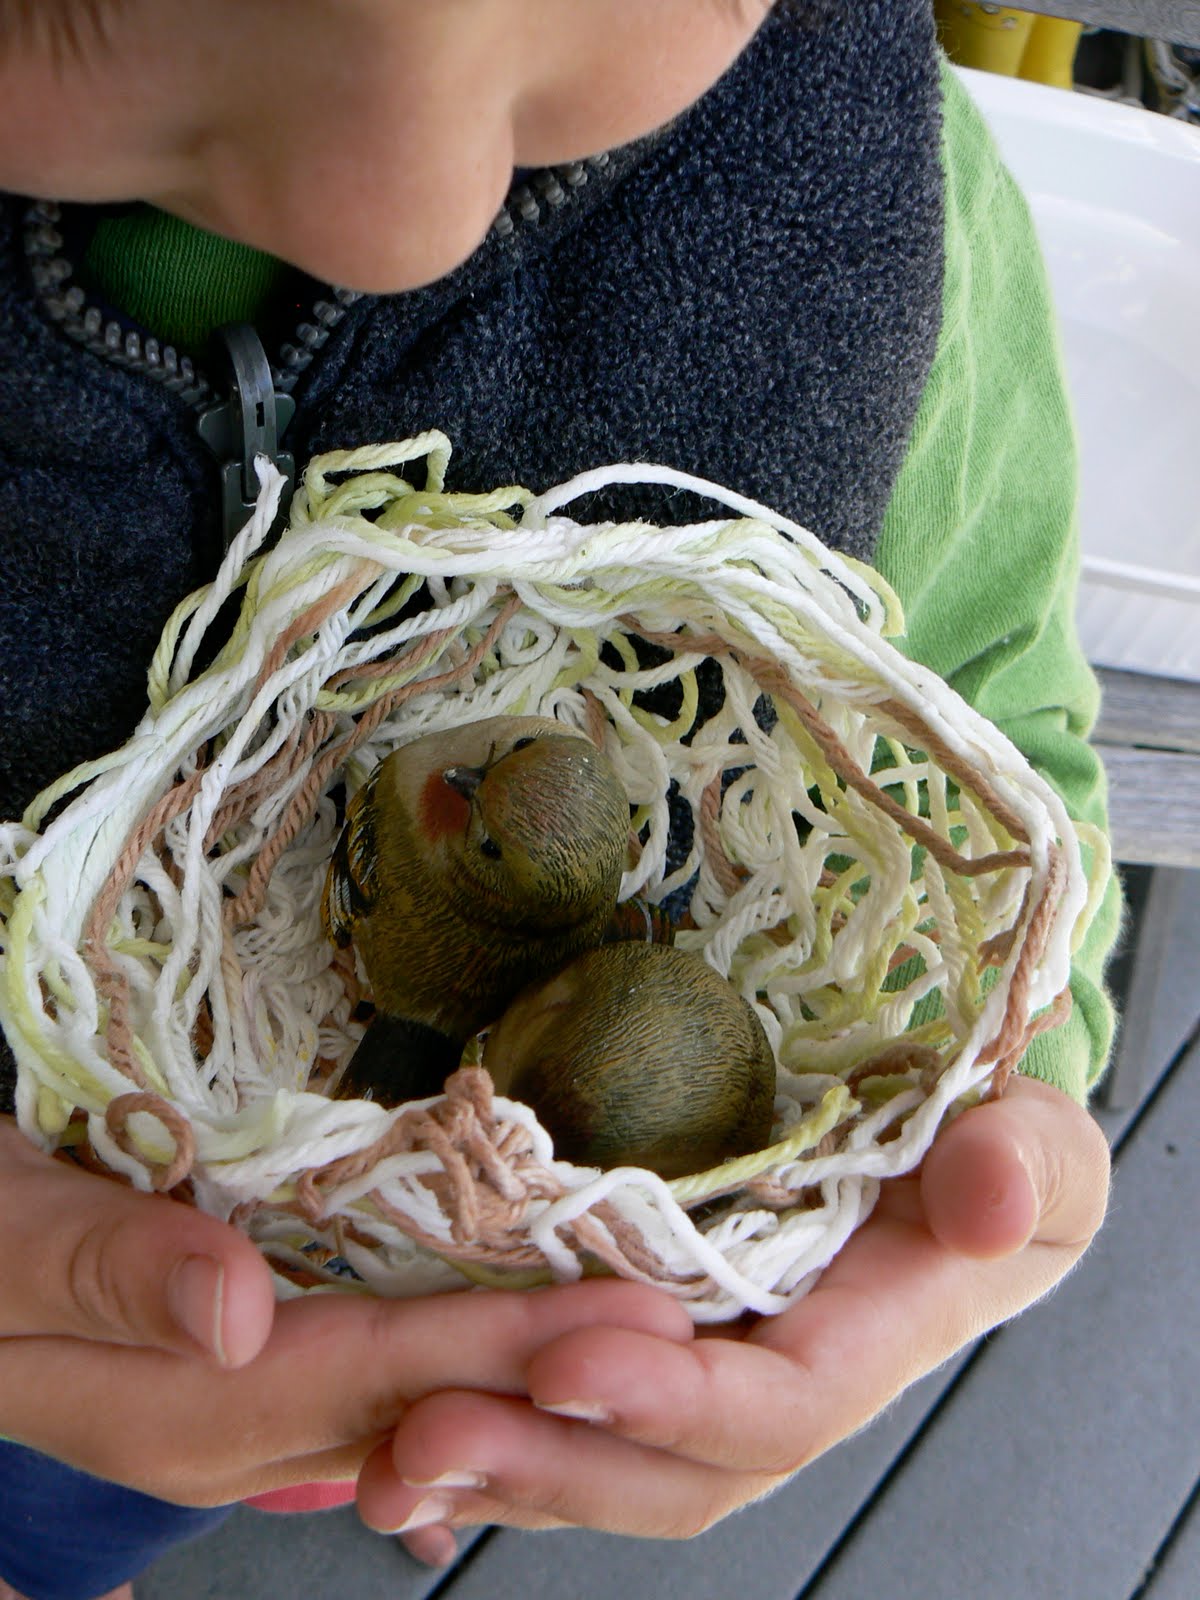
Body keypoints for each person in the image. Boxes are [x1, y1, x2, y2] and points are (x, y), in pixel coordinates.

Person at [0, 0, 1118, 1594]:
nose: (401, 200)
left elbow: (1002, 727)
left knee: (107, 1518)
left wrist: (994, 1096)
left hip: (414, 1268)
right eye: (75, 16)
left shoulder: (884, 226)